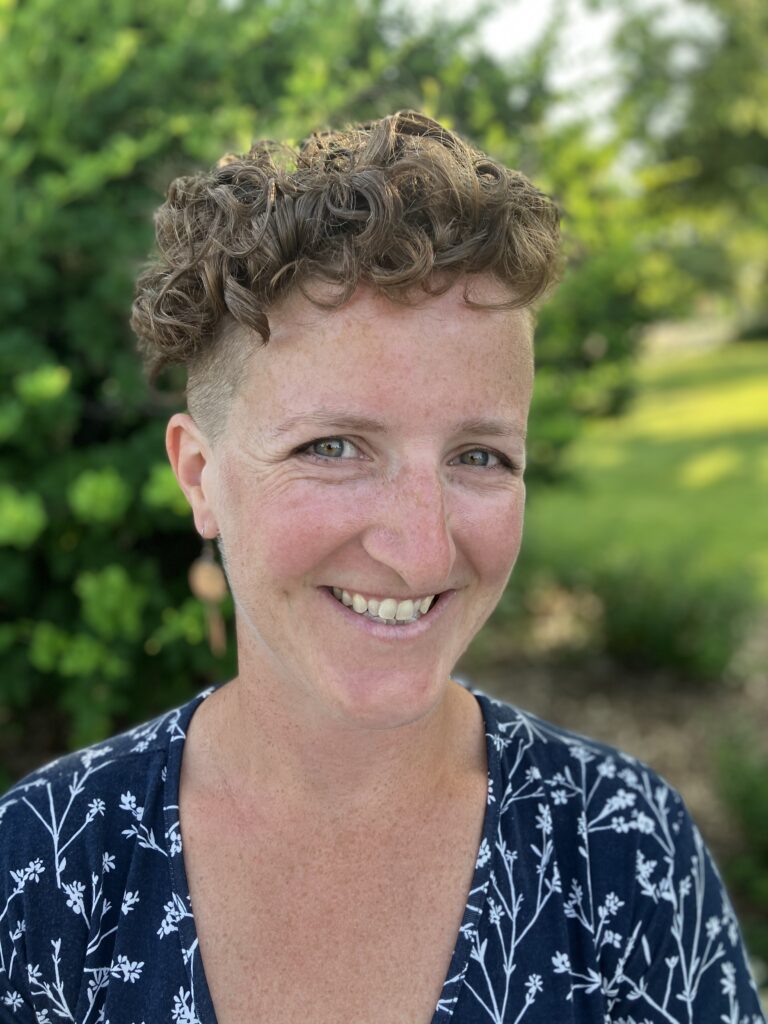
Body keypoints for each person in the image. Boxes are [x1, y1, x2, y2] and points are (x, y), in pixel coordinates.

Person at [0, 111, 763, 1024]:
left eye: (481, 457)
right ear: (200, 477)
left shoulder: (626, 854)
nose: (423, 548)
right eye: (334, 446)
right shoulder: (41, 873)